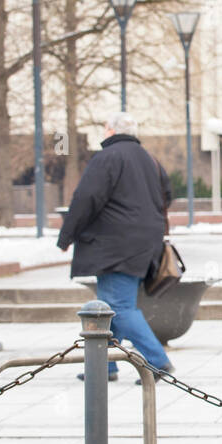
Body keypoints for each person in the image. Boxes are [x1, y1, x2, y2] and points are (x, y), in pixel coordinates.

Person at [57, 111, 173, 380]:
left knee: (119, 306)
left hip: (113, 245)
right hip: (144, 244)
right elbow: (167, 195)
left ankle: (158, 360)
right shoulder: (150, 160)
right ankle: (104, 365)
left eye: (105, 128)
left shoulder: (107, 157)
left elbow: (86, 198)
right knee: (110, 305)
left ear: (110, 130)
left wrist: (67, 236)